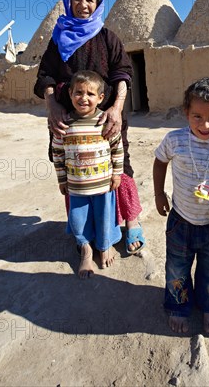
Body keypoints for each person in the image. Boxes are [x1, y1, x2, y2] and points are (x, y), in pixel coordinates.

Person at [34, 0, 145, 254]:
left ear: (97, 4)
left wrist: (117, 109)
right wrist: (53, 106)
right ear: (68, 2)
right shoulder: (58, 39)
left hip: (105, 116)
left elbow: (123, 73)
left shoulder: (108, 38)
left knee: (121, 166)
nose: (83, 4)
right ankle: (86, 231)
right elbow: (44, 75)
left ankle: (131, 221)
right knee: (74, 168)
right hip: (67, 120)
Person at [153, 77, 209, 334]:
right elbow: (159, 161)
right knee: (177, 267)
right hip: (180, 220)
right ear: (186, 112)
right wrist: (159, 194)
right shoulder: (175, 140)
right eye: (197, 116)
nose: (205, 124)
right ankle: (178, 306)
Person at [52, 71, 123, 278]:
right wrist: (62, 179)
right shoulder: (65, 124)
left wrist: (117, 174)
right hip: (76, 186)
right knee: (78, 218)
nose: (84, 98)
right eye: (79, 93)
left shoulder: (104, 121)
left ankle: (104, 245)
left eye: (90, 94)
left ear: (100, 97)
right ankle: (85, 249)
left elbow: (117, 148)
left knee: (105, 217)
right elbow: (58, 153)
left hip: (103, 184)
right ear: (70, 93)